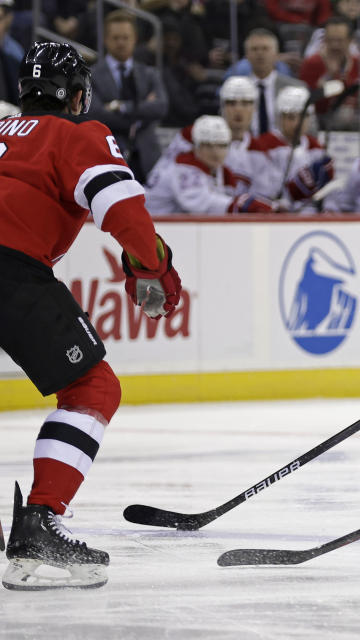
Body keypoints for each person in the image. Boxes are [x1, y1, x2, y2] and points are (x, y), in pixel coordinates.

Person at [1, 42, 183, 590]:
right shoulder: (79, 133)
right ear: (77, 94)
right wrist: (153, 268)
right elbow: (122, 208)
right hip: (10, 267)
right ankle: (39, 521)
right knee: (91, 389)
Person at [87, 10, 169, 181]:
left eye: (126, 37)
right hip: (109, 156)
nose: (121, 43)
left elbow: (161, 107)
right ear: (105, 39)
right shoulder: (90, 75)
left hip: (148, 158)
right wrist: (142, 113)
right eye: (116, 38)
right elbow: (95, 113)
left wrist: (120, 107)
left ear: (135, 39)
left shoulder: (149, 73)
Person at [145, 115, 277, 215]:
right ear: (196, 146)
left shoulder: (218, 171)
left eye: (222, 145)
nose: (216, 152)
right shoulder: (183, 168)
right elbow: (202, 204)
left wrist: (274, 206)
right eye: (208, 145)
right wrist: (241, 205)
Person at [251, 85, 335, 211]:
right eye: (291, 117)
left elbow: (327, 194)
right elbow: (265, 192)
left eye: (303, 116)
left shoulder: (317, 148)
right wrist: (296, 188)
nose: (297, 123)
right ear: (280, 117)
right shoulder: (263, 145)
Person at [244, 28, 307, 136]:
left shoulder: (296, 88)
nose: (260, 53)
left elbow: (309, 129)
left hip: (285, 148)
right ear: (246, 56)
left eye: (265, 49)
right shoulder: (238, 88)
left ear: (276, 54)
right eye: (254, 49)